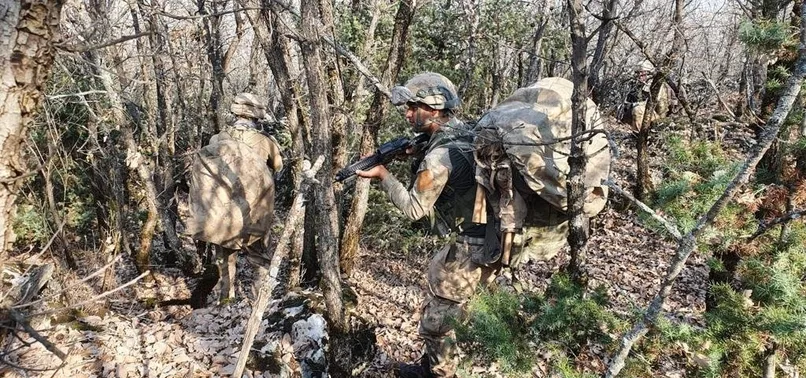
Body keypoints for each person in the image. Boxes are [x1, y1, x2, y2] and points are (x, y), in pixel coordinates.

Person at [356, 73, 496, 378]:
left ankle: (439, 373)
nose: (407, 114)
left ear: (434, 109)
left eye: (412, 107)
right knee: (452, 311)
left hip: (469, 247)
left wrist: (383, 175)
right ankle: (431, 365)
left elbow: (414, 208)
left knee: (438, 320)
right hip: (488, 236)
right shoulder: (464, 132)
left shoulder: (439, 155)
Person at [185, 93, 283, 305]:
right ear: (257, 117)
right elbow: (278, 167)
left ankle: (225, 301)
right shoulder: (265, 141)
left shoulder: (217, 139)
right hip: (255, 209)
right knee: (259, 259)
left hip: (223, 211)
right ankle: (260, 304)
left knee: (224, 260)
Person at [623, 59, 673, 131]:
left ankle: (638, 134)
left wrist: (660, 121)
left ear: (648, 73)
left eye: (642, 73)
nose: (639, 75)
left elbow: (661, 108)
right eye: (638, 73)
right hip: (644, 113)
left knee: (638, 110)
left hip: (656, 116)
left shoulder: (656, 86)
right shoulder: (636, 84)